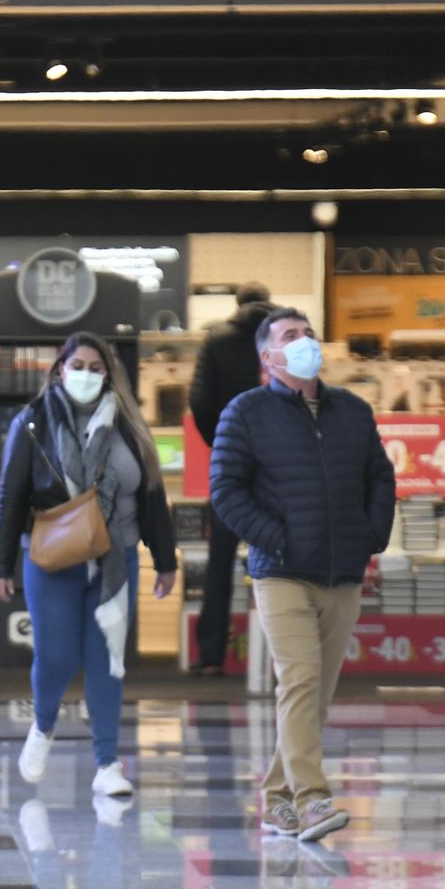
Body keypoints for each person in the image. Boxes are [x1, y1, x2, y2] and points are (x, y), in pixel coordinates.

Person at [211, 307, 396, 842]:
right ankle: (312, 800)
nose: (304, 341)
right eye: (290, 336)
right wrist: (279, 537)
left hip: (342, 573)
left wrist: (372, 535)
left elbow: (379, 477)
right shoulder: (244, 413)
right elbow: (226, 492)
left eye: (309, 333)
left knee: (316, 694)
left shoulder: (353, 413)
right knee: (300, 680)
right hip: (282, 573)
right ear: (269, 356)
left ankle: (275, 800)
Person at [0, 332, 178, 798]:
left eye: (98, 368)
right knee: (56, 656)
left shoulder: (130, 425)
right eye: (79, 365)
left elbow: (152, 494)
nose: (87, 375)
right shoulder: (32, 423)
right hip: (54, 558)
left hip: (116, 560)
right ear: (59, 370)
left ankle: (107, 761)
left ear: (110, 376)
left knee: (107, 661)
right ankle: (44, 724)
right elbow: (11, 495)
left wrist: (164, 558)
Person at [186, 282, 275, 676]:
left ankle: (210, 657)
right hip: (278, 468)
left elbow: (200, 400)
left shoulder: (216, 340)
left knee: (220, 560)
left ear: (236, 305)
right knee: (280, 560)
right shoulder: (286, 335)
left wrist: (220, 442)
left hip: (231, 466)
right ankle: (279, 659)